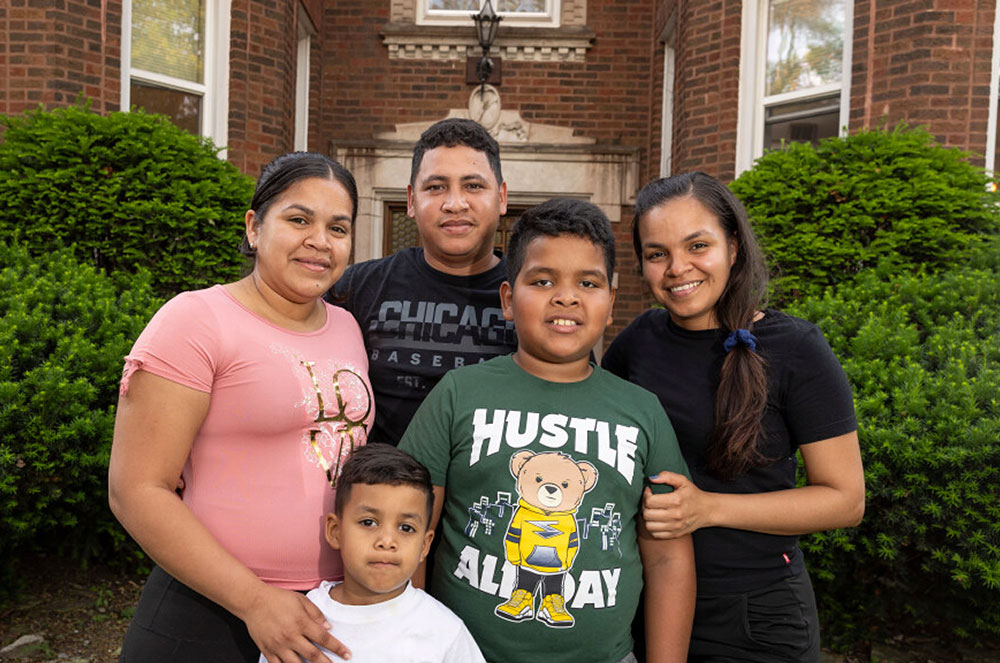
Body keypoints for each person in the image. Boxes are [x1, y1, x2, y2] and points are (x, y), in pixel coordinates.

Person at [399, 198, 696, 663]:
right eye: (542, 281)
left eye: (588, 282)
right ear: (507, 300)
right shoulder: (459, 394)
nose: (566, 296)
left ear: (611, 302)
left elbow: (667, 557)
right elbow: (411, 533)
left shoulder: (642, 412)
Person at [109, 152, 374, 663]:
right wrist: (254, 601)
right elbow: (136, 488)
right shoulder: (196, 320)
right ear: (254, 228)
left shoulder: (346, 326)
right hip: (210, 612)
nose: (320, 240)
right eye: (299, 219)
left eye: (337, 227)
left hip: (326, 608)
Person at [601, 172, 866, 663]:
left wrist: (708, 508)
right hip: (641, 602)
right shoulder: (637, 343)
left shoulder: (796, 349)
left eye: (697, 245)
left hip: (755, 614)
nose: (678, 268)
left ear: (734, 246)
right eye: (657, 254)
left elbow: (845, 501)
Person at [329, 118, 517, 446]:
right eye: (436, 187)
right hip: (383, 491)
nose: (455, 203)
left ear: (501, 197)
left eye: (473, 186)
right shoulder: (356, 289)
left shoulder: (534, 294)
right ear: (411, 200)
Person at [259, 443, 487, 663]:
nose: (387, 541)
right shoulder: (302, 620)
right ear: (335, 531)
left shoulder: (443, 631)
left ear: (425, 546)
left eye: (406, 528)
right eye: (369, 522)